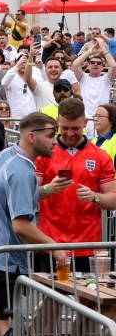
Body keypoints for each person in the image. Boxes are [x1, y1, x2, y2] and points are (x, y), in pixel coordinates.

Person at [0, 112, 65, 336]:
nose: (56, 141)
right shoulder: (21, 170)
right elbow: (21, 225)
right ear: (32, 137)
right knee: (8, 328)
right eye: (51, 135)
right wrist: (54, 247)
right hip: (8, 262)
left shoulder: (4, 155)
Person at [35, 97, 116, 273]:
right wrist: (49, 189)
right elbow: (28, 194)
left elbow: (113, 199)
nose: (70, 133)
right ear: (57, 122)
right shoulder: (44, 154)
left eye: (75, 128)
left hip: (87, 247)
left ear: (85, 123)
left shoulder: (100, 156)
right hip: (52, 246)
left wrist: (95, 197)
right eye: (65, 128)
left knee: (86, 299)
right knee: (52, 299)